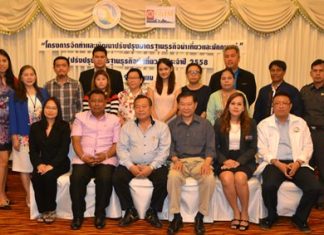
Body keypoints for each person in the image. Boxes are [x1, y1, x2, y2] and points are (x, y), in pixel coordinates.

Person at [258, 91, 320, 233]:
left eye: (284, 103)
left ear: (290, 106)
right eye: (277, 103)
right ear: (272, 106)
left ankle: (300, 218)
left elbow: (308, 146)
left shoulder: (300, 122)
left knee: (314, 187)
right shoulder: (264, 124)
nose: (281, 106)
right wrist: (278, 163)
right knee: (268, 186)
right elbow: (262, 149)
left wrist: (298, 162)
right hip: (274, 162)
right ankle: (271, 216)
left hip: (297, 161)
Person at [113, 95, 170, 228]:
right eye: (137, 107)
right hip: (132, 164)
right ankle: (130, 210)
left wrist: (151, 167)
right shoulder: (127, 127)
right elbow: (121, 149)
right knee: (117, 178)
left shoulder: (162, 127)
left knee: (164, 179)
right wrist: (131, 166)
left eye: (144, 106)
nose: (140, 110)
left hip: (154, 165)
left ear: (150, 108)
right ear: (134, 109)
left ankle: (153, 211)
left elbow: (164, 151)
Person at [69, 89, 120, 230]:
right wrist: (83, 156)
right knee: (76, 178)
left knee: (105, 178)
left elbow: (117, 144)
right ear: (89, 103)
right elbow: (76, 141)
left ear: (105, 103)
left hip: (106, 158)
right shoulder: (80, 117)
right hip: (84, 157)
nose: (97, 104)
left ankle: (100, 214)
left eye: (100, 101)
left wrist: (105, 155)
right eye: (93, 101)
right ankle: (78, 215)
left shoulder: (114, 120)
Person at [167, 92, 216, 235]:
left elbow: (210, 147)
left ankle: (200, 216)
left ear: (195, 105)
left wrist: (207, 163)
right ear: (178, 106)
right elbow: (169, 148)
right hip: (179, 161)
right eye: (182, 104)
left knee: (209, 178)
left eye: (189, 104)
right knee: (173, 177)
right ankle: (176, 216)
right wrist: (175, 159)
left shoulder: (205, 124)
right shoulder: (172, 125)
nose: (186, 107)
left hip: (200, 161)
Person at [214, 92, 257, 231]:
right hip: (224, 158)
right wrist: (225, 161)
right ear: (228, 106)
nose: (236, 107)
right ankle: (235, 211)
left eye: (239, 104)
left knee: (239, 178)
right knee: (227, 178)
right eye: (233, 104)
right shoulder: (219, 122)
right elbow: (214, 147)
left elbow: (253, 148)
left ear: (244, 107)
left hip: (245, 158)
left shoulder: (250, 123)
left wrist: (239, 162)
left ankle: (244, 212)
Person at [9, 65, 49, 207]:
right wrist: (14, 136)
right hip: (23, 136)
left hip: (42, 136)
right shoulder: (15, 95)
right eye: (26, 75)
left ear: (36, 76)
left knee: (39, 166)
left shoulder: (43, 93)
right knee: (25, 167)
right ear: (20, 77)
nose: (29, 77)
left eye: (32, 74)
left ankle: (39, 193)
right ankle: (28, 195)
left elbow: (50, 113)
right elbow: (12, 117)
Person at [29, 97, 70, 224]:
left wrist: (51, 165)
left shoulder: (64, 126)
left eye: (53, 108)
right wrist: (38, 164)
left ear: (58, 110)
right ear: (43, 109)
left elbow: (64, 150)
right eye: (47, 107)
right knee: (36, 177)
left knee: (49, 177)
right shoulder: (35, 127)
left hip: (60, 162)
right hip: (42, 162)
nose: (50, 111)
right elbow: (33, 150)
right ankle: (43, 210)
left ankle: (51, 210)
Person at [300, 59, 324, 209]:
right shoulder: (305, 90)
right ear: (310, 73)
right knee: (306, 166)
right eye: (315, 71)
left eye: (321, 70)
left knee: (322, 167)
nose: (318, 74)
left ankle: (321, 199)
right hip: (306, 133)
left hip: (322, 133)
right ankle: (308, 197)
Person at [0, 49, 17, 209]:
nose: (2, 63)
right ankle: (1, 195)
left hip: (10, 127)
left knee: (4, 163)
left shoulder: (14, 80)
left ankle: (2, 193)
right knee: (3, 162)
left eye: (4, 60)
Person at [45, 56, 83, 123]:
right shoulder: (48, 85)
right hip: (54, 125)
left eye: (64, 65)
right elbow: (45, 107)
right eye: (58, 66)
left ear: (68, 68)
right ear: (54, 68)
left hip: (72, 125)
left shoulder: (77, 84)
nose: (61, 68)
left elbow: (80, 107)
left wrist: (75, 123)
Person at [147, 58, 180, 123]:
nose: (163, 72)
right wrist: (157, 121)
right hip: (154, 121)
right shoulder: (152, 85)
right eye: (160, 69)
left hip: (172, 122)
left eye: (166, 69)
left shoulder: (177, 86)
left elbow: (175, 108)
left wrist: (163, 121)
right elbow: (150, 106)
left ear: (171, 69)